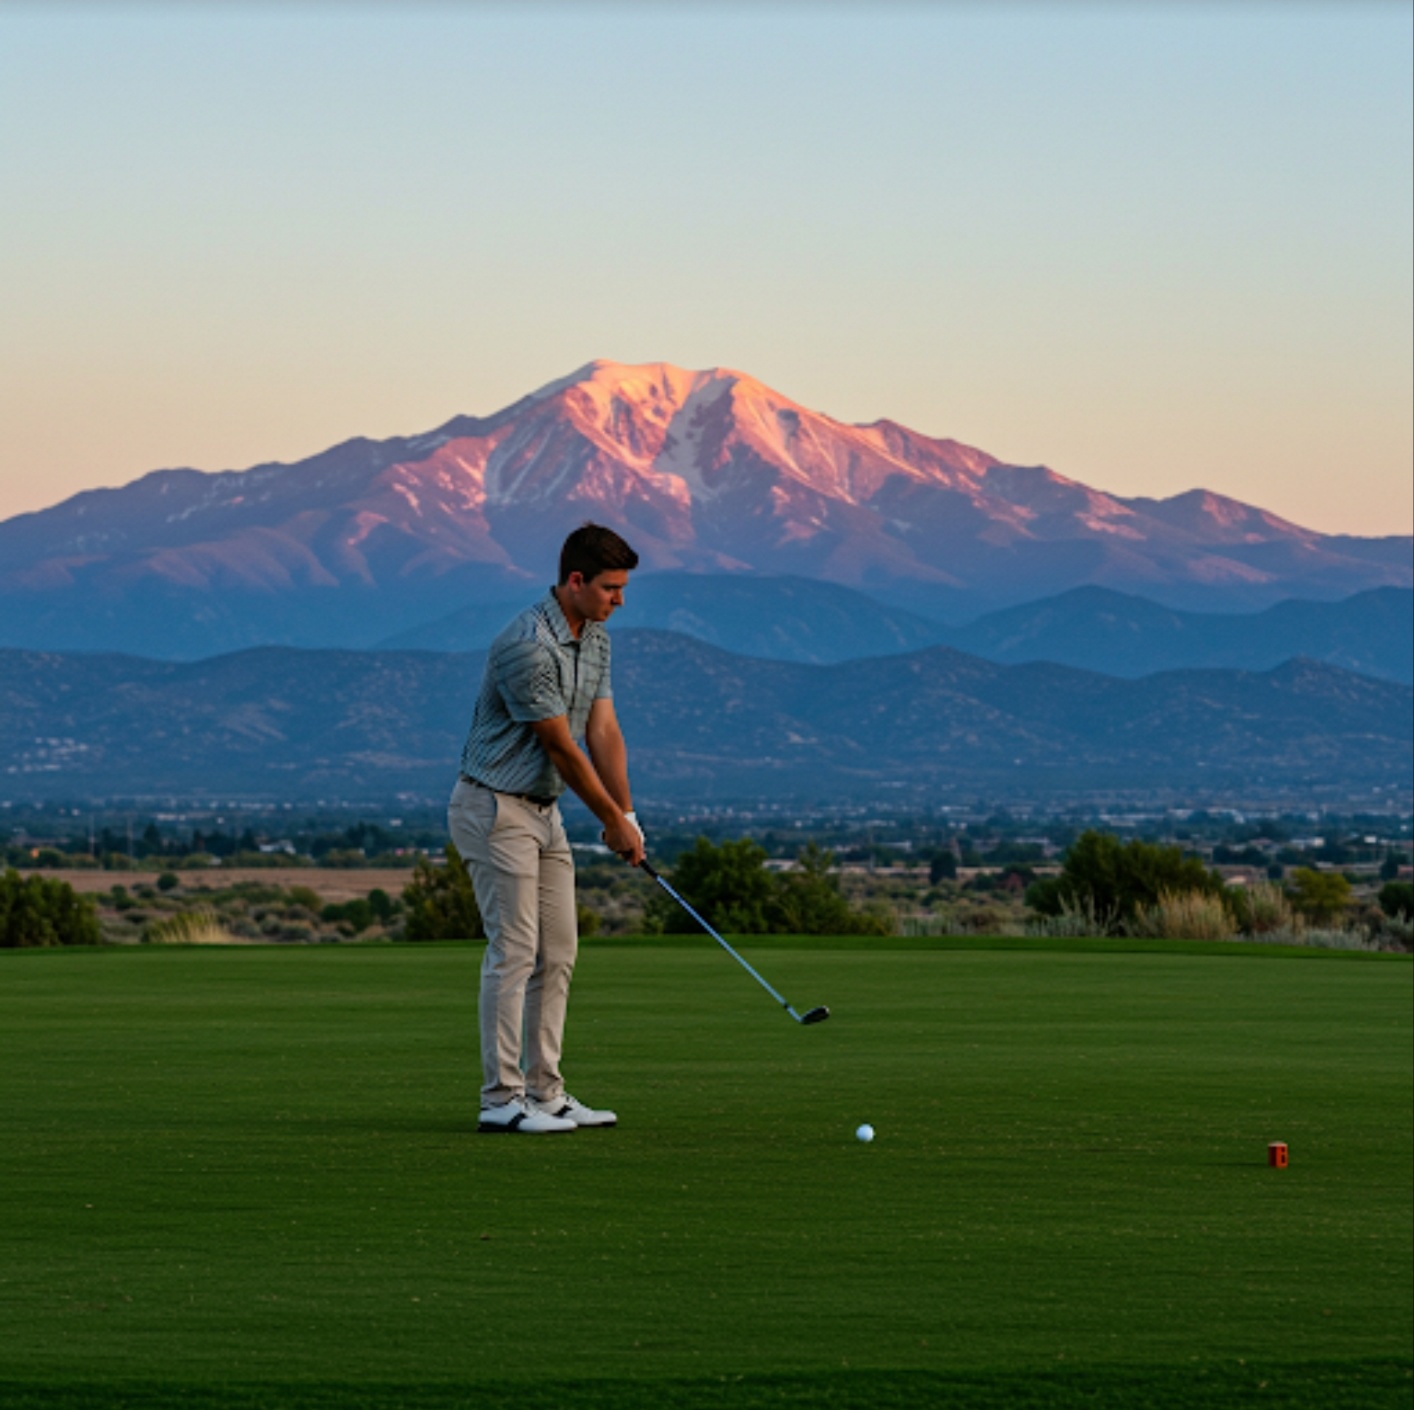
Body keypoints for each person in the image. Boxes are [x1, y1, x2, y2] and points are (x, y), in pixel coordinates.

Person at [448, 523, 646, 1135]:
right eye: (611, 588)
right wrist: (609, 821)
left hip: (544, 812)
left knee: (558, 951)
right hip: (494, 808)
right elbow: (559, 745)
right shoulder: (528, 645)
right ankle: (501, 1100)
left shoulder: (597, 640)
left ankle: (546, 1092)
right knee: (515, 951)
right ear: (575, 581)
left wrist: (628, 815)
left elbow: (602, 732)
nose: (620, 600)